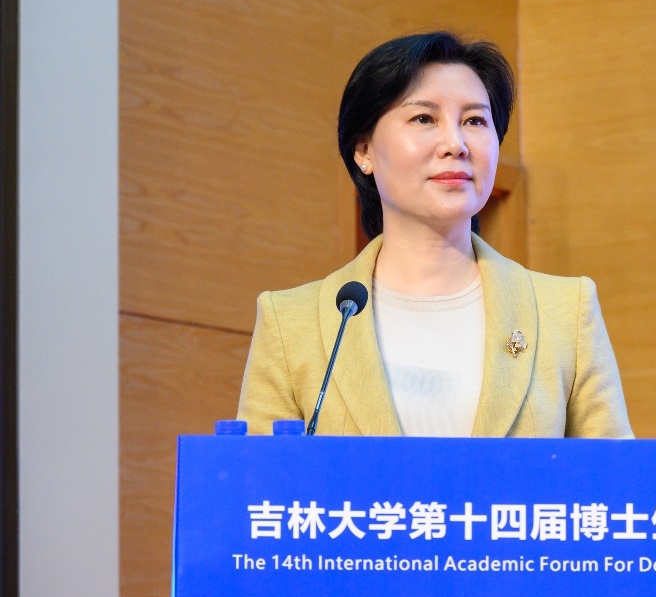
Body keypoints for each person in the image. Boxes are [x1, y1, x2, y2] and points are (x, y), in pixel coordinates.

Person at [236, 31, 633, 439]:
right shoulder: (291, 324)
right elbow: (253, 477)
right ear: (364, 151)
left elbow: (618, 476)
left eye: (475, 121)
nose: (455, 144)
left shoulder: (565, 314)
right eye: (424, 118)